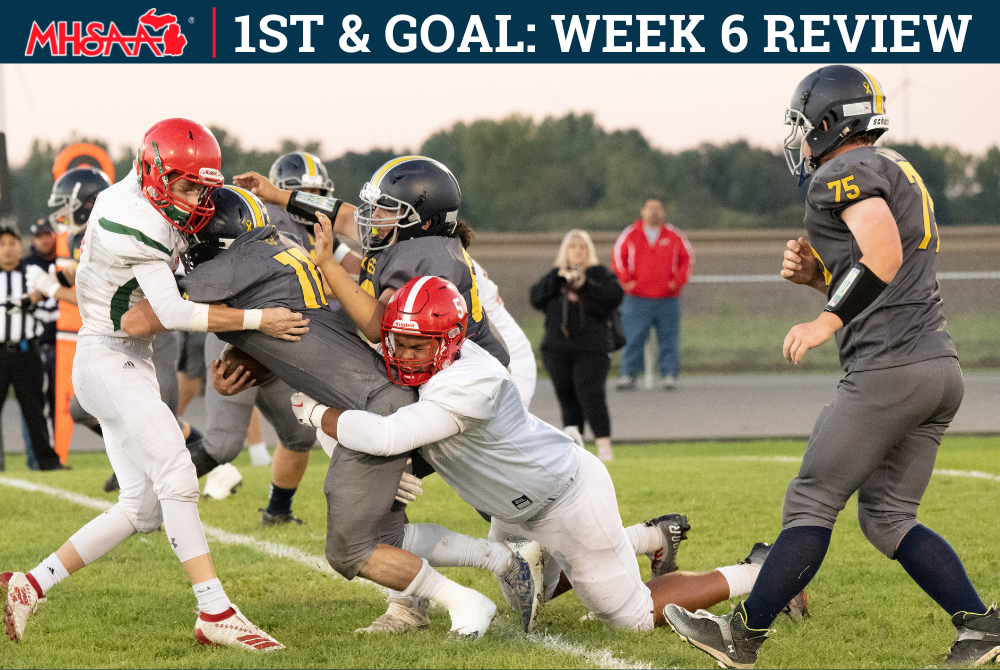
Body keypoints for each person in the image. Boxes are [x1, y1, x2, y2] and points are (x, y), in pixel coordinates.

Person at [664, 65, 1000, 669]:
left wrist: (825, 320)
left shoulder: (840, 170)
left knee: (812, 502)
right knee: (888, 517)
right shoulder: (895, 166)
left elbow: (884, 255)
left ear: (827, 122)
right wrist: (819, 279)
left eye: (803, 125)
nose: (798, 139)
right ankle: (980, 626)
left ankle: (743, 637)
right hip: (937, 367)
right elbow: (881, 270)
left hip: (889, 368)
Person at [289, 275, 801, 636]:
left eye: (415, 346)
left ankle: (759, 571)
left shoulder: (470, 382)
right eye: (396, 342)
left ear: (447, 343)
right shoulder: (433, 359)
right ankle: (649, 536)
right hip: (514, 510)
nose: (400, 356)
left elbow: (384, 437)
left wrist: (313, 413)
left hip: (566, 498)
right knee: (527, 596)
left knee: (629, 617)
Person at [1, 118, 305, 649]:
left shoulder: (138, 191)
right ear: (154, 172)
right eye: (185, 186)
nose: (194, 198)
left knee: (141, 508)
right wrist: (261, 320)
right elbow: (171, 310)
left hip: (120, 358)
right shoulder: (137, 219)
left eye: (201, 186)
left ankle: (30, 584)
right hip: (108, 357)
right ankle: (215, 611)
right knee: (177, 473)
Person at [530, 229, 622, 461]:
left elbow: (615, 296)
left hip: (592, 348)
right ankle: (575, 449)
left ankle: (604, 447)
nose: (578, 252)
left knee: (591, 394)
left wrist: (585, 284)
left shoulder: (599, 274)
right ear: (566, 251)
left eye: (582, 247)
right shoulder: (556, 276)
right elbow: (536, 298)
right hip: (557, 349)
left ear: (589, 250)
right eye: (573, 247)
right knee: (567, 397)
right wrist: (558, 278)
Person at [611, 199, 693, 391]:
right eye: (650, 209)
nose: (654, 213)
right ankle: (628, 375)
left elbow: (686, 259)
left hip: (667, 299)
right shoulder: (630, 234)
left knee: (669, 338)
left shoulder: (674, 235)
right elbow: (617, 258)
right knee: (632, 337)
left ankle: (669, 375)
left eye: (657, 209)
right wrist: (627, 281)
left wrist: (676, 282)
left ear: (663, 212)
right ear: (643, 211)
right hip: (636, 298)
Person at [0, 225, 61, 471]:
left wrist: (31, 306)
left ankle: (46, 462)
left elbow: (54, 310)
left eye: (12, 243)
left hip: (27, 351)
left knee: (36, 409)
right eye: (2, 244)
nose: (7, 249)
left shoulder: (34, 274)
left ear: (21, 246)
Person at [21, 221, 61, 470]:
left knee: (60, 406)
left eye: (48, 234)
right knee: (36, 406)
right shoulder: (24, 267)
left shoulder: (67, 263)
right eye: (39, 236)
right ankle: (38, 457)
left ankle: (53, 455)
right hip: (38, 343)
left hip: (67, 343)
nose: (44, 240)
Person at [473, 259, 537, 411]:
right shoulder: (454, 257)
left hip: (509, 356)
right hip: (496, 355)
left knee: (504, 431)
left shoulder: (455, 261)